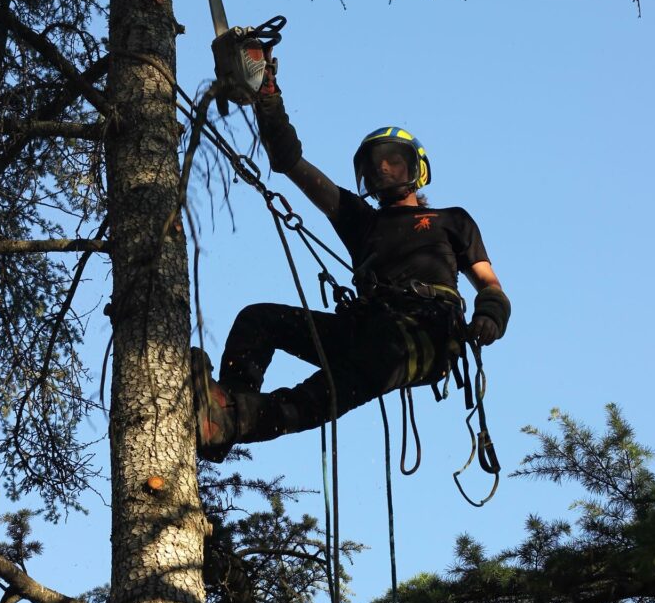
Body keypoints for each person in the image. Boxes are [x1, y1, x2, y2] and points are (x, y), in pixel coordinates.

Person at [192, 81, 510, 462]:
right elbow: (290, 162)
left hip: (420, 334)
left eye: (393, 159)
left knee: (320, 394)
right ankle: (228, 405)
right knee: (258, 320)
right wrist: (268, 98)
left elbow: (490, 284)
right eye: (374, 164)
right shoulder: (361, 221)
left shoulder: (451, 220)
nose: (383, 167)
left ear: (415, 168)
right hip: (365, 328)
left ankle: (232, 420)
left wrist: (490, 316)